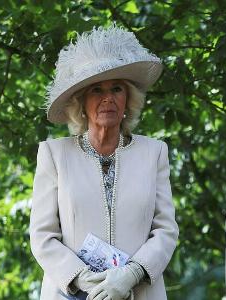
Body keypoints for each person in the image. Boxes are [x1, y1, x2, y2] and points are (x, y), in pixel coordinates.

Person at [30, 26, 179, 300]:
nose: (107, 98)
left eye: (117, 89)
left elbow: (166, 231)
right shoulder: (54, 155)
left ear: (128, 100)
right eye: (97, 90)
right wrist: (85, 280)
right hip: (71, 294)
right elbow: (42, 237)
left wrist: (130, 276)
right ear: (82, 102)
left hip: (139, 292)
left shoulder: (154, 153)